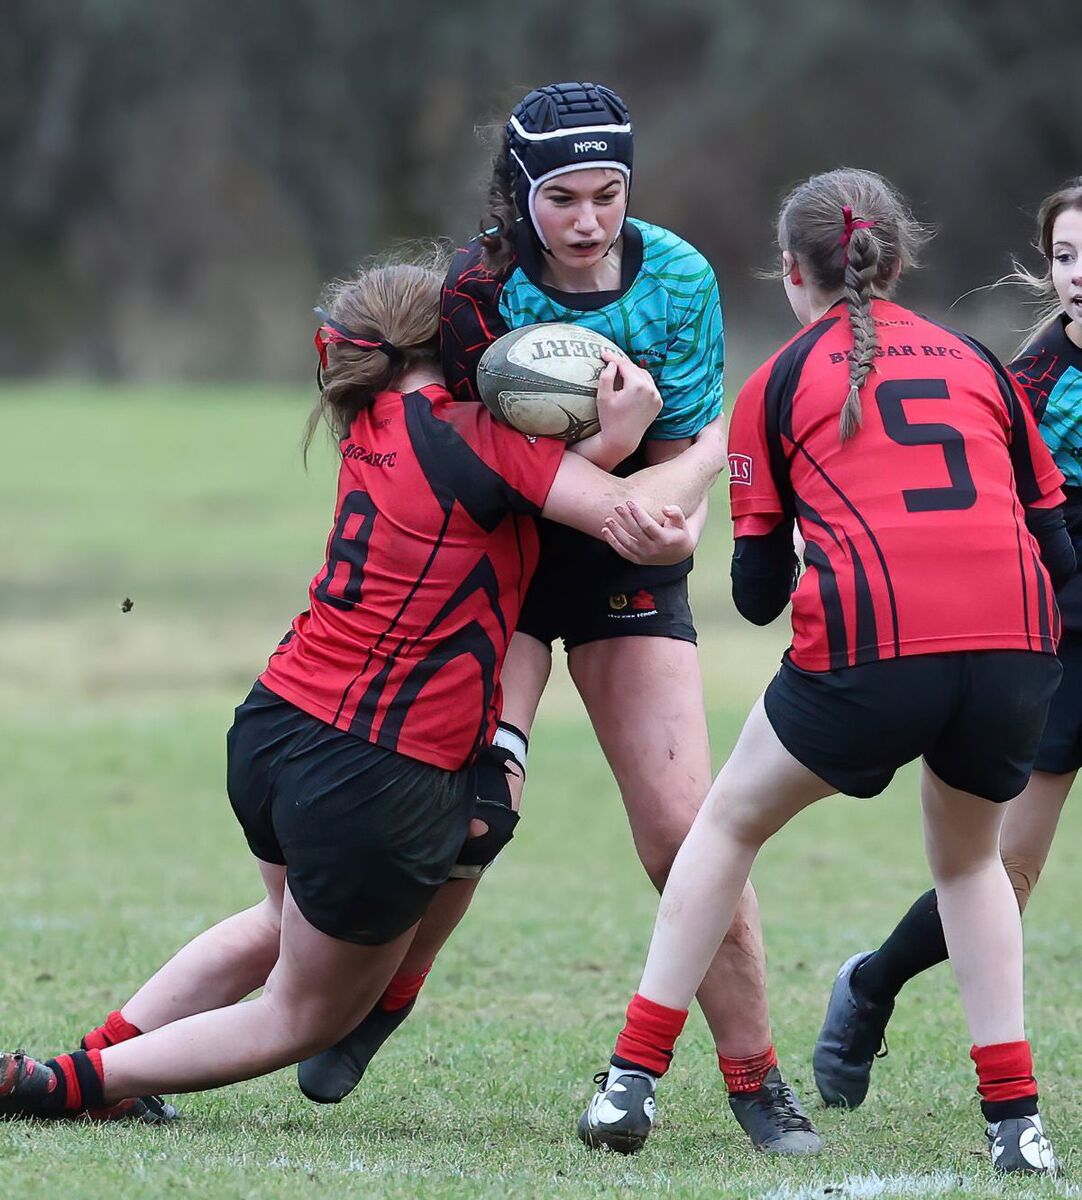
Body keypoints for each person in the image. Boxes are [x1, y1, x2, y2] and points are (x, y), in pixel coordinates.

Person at [0, 253, 727, 1123]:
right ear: (456, 342)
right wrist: (713, 435)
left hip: (274, 728)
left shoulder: (374, 420)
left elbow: (517, 499)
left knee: (282, 930)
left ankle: (95, 1057)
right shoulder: (483, 441)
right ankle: (71, 1088)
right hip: (374, 772)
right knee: (304, 1013)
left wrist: (595, 441)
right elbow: (646, 522)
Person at [297, 81, 821, 1156]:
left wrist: (669, 522)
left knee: (685, 827)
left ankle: (755, 1079)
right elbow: (433, 446)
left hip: (625, 559)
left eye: (608, 194)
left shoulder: (675, 276)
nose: (588, 222)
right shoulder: (471, 292)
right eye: (564, 199)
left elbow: (688, 447)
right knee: (468, 813)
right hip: (504, 565)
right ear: (518, 192)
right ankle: (379, 1006)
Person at [576, 167, 1073, 1176]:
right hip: (1018, 649)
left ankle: (631, 1076)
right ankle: (1013, 1123)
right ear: (898, 258)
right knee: (972, 865)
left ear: (789, 274)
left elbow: (756, 594)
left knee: (723, 824)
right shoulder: (982, 365)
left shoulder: (775, 385)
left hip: (871, 652)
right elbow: (1055, 548)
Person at [812, 177, 1082, 1117]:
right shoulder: (1031, 383)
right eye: (1065, 256)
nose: (1080, 276)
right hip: (1057, 650)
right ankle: (873, 985)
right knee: (1004, 875)